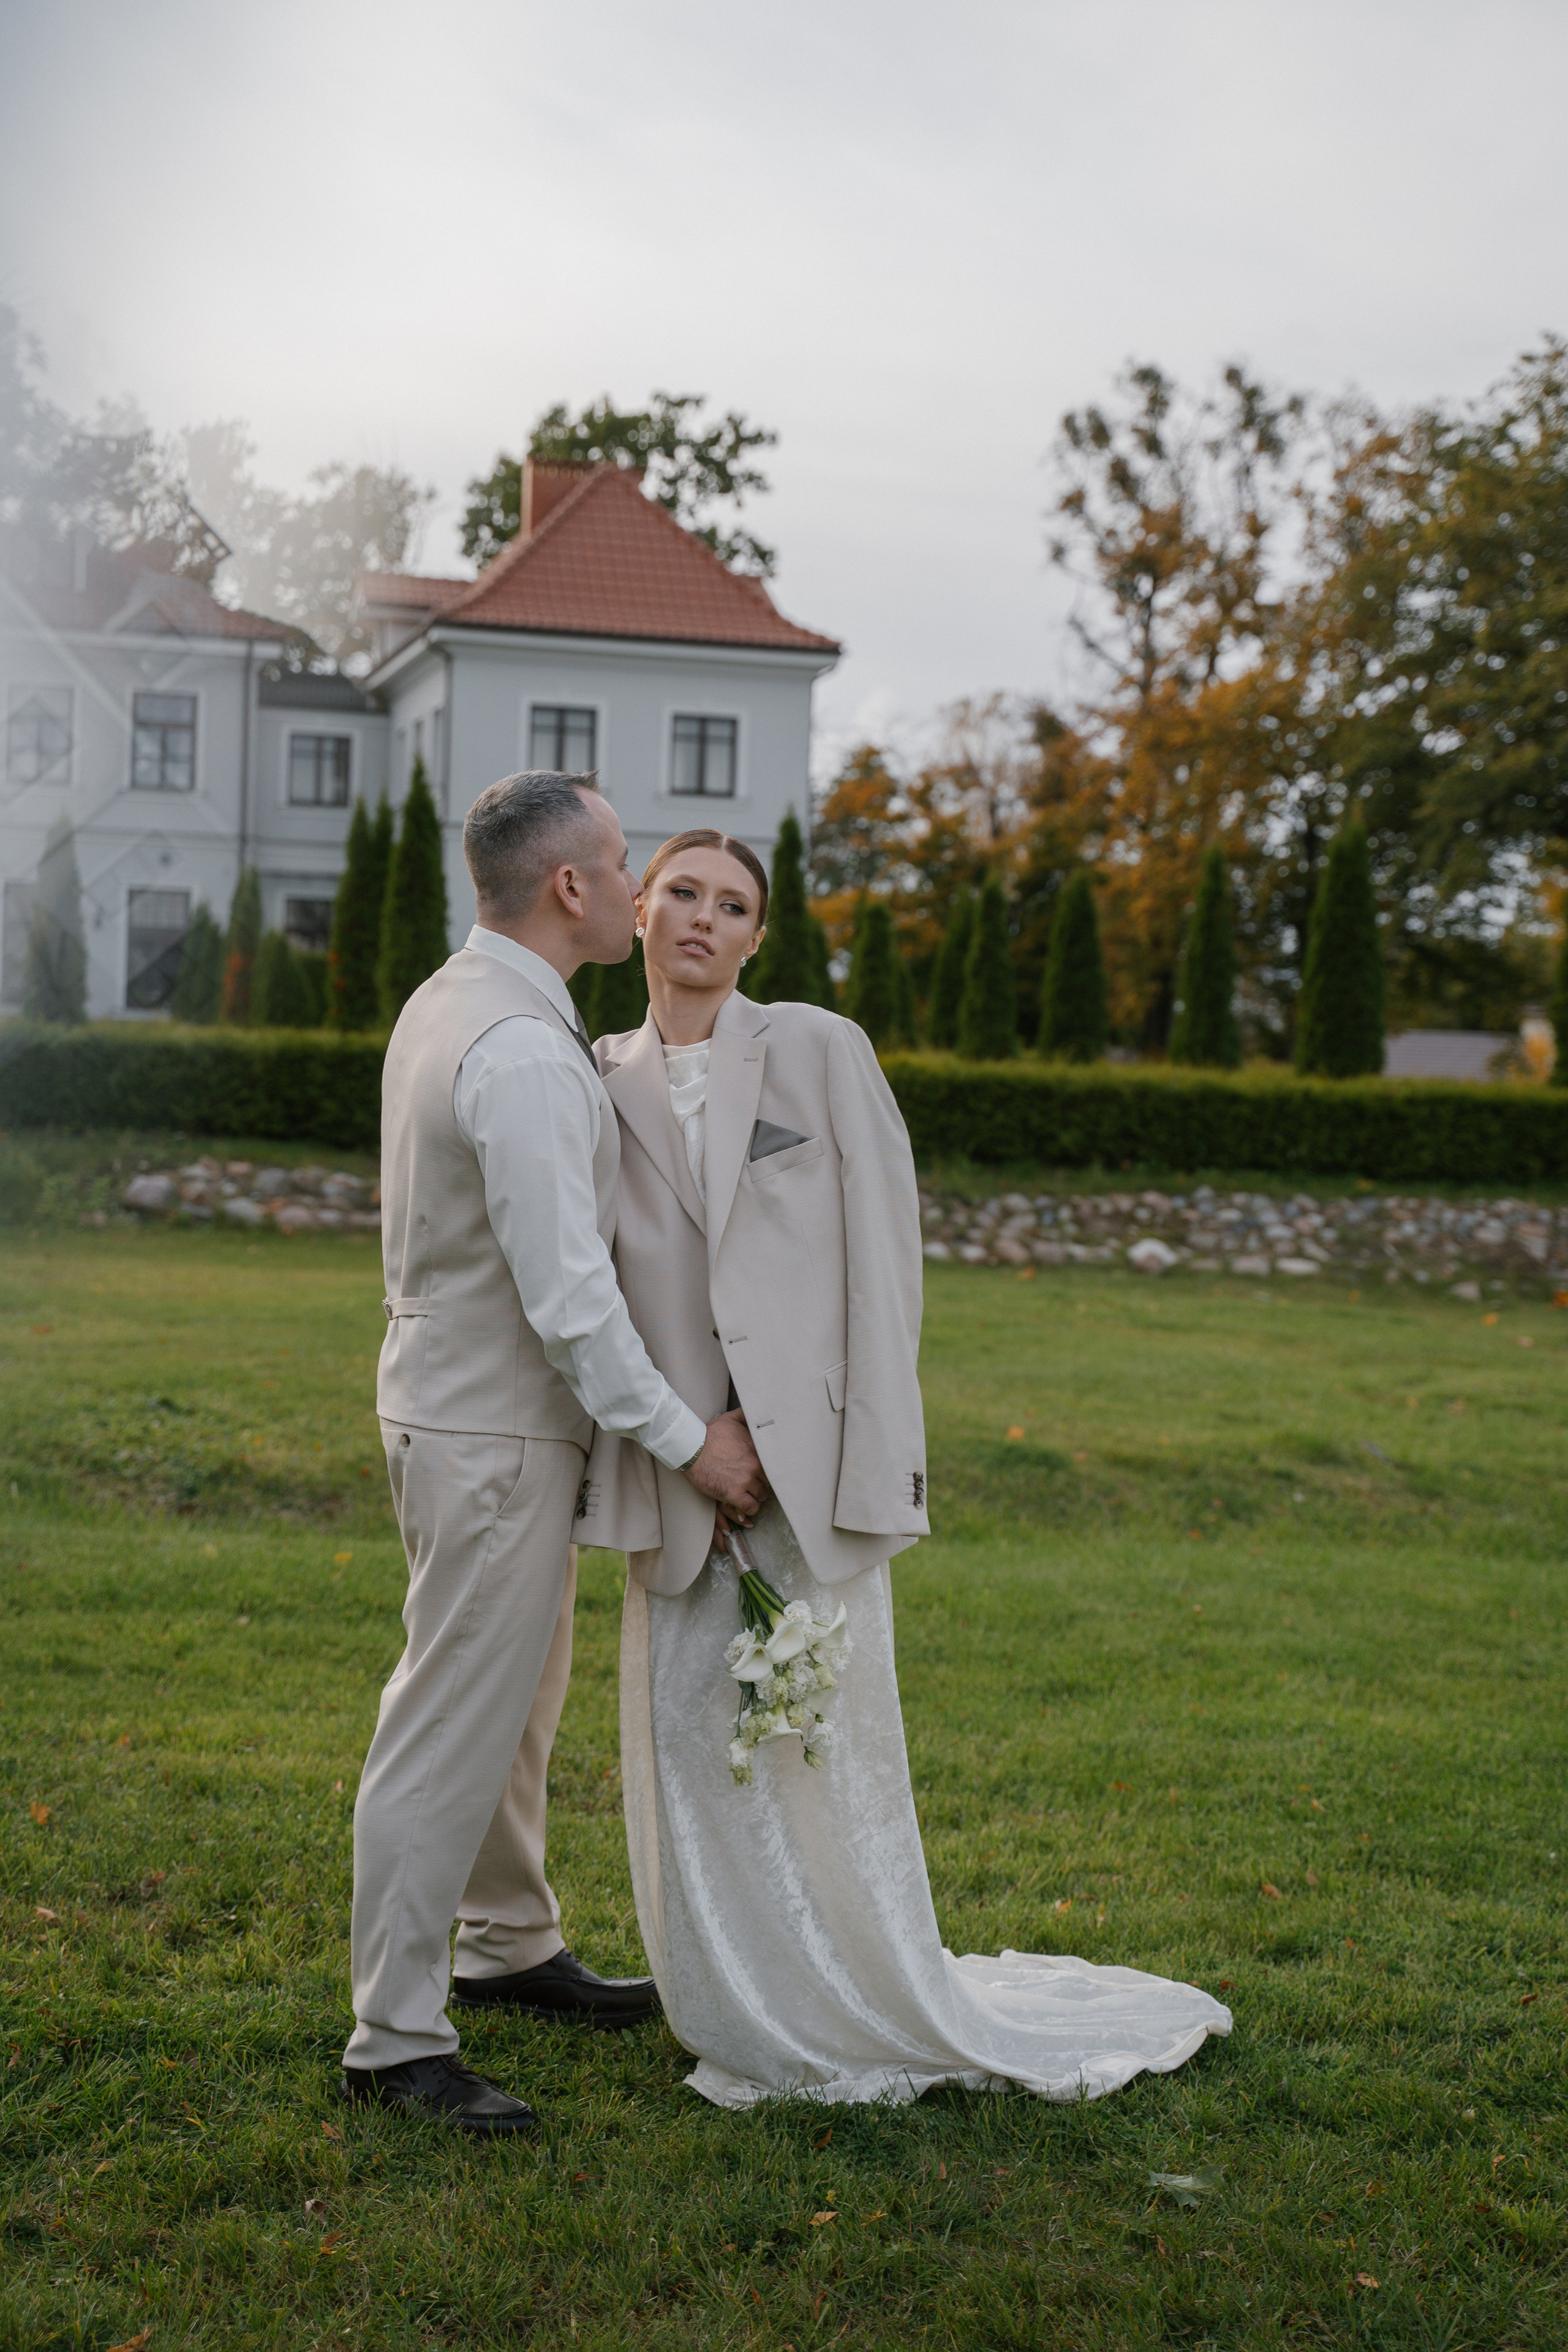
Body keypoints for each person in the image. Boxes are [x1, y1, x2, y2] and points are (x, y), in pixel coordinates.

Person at [586, 828, 1231, 2106]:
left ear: (758, 937)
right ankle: (736, 2006)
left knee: (822, 1748)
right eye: (683, 897)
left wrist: (824, 1450)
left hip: (806, 1468)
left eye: (733, 905)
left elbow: (881, 1270)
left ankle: (856, 1986)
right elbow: (595, 1286)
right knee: (691, 1743)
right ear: (640, 912)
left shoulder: (819, 1049)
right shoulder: (595, 1076)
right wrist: (680, 1446)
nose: (705, 921)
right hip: (673, 1463)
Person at [340, 774, 767, 2136]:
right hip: (491, 1425)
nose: (644, 885)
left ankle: (506, 1943)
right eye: (627, 863)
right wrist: (685, 1439)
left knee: (514, 1707)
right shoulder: (521, 1052)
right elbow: (567, 1297)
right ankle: (395, 2039)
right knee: (450, 1719)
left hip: (465, 1405)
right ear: (571, 890)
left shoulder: (461, 1000)